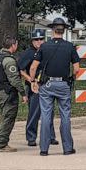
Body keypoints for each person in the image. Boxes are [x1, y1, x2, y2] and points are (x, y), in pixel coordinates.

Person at [29, 18, 80, 156]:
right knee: (65, 115)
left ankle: (44, 149)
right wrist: (71, 78)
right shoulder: (70, 47)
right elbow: (76, 68)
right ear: (64, 30)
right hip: (63, 84)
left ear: (52, 30)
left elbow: (33, 67)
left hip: (47, 84)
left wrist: (33, 81)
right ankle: (68, 148)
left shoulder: (44, 47)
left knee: (45, 115)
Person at [0, 36, 29, 152]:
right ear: (13, 45)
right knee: (8, 117)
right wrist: (23, 93)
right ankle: (1, 145)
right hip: (9, 92)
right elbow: (15, 80)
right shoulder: (9, 60)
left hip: (1, 90)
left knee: (4, 116)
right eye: (16, 44)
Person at [18, 29, 57, 147]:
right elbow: (20, 69)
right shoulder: (29, 53)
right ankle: (31, 137)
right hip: (34, 86)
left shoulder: (47, 51)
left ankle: (50, 136)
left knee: (49, 112)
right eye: (36, 40)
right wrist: (30, 79)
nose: (39, 42)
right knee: (34, 112)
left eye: (41, 39)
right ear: (32, 41)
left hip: (47, 85)